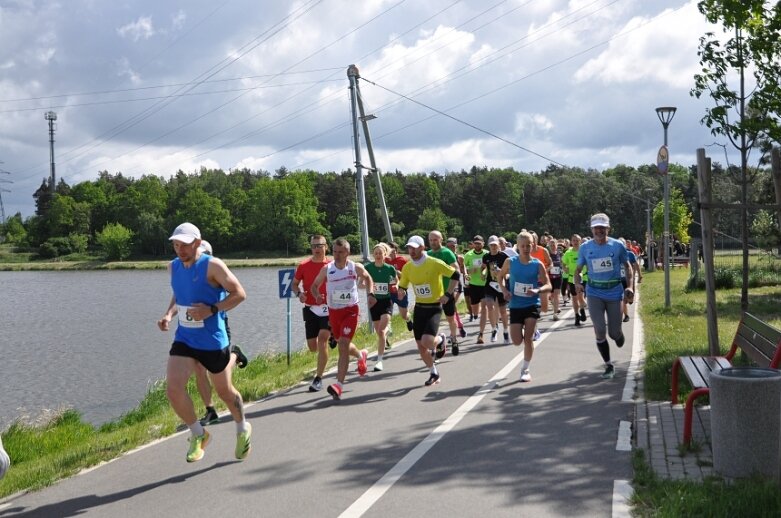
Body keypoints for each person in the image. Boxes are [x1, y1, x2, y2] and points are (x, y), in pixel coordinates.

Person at [157, 222, 252, 462]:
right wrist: (169, 314)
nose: (180, 250)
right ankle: (199, 434)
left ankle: (242, 428)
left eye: (185, 245)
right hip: (185, 339)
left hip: (212, 341)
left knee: (225, 392)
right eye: (176, 245)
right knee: (173, 388)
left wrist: (212, 309)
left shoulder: (213, 265)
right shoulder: (173, 267)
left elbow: (239, 293)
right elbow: (180, 293)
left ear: (197, 243)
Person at [191, 239, 249, 425]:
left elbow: (237, 295)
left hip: (218, 328)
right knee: (198, 368)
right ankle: (210, 410)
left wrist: (213, 309)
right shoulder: (188, 273)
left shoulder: (216, 273)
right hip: (195, 329)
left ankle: (234, 354)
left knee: (218, 373)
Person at [310, 238, 373, 400]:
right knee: (341, 341)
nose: (337, 255)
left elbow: (368, 277)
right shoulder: (327, 269)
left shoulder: (355, 267)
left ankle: (339, 385)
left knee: (343, 345)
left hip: (350, 311)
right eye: (335, 252)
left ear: (348, 253)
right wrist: (317, 296)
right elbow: (314, 286)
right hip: (334, 312)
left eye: (341, 252)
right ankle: (360, 356)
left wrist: (371, 294)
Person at [574, 214, 633, 380]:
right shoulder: (585, 247)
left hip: (614, 292)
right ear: (592, 229)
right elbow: (577, 271)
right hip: (594, 293)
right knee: (600, 330)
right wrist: (577, 283)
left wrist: (629, 286)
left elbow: (627, 267)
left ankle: (618, 334)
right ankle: (608, 365)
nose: (599, 231)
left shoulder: (617, 246)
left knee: (614, 333)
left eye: (602, 227)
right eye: (596, 228)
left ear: (608, 228)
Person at [397, 235, 460, 386]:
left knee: (427, 341)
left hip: (434, 307)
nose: (411, 251)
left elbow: (456, 274)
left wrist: (447, 294)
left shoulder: (434, 263)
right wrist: (401, 291)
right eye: (409, 248)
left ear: (422, 247)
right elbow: (403, 285)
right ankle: (434, 372)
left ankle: (442, 340)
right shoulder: (407, 267)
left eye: (414, 247)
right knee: (420, 345)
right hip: (419, 308)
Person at [499, 231, 552, 382]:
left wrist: (538, 290)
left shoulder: (537, 264)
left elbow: (548, 284)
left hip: (531, 304)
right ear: (518, 247)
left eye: (528, 245)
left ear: (533, 245)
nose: (526, 248)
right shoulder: (510, 262)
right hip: (515, 305)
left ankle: (525, 368)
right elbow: (500, 276)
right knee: (516, 341)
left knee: (527, 339)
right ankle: (530, 331)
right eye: (523, 246)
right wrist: (504, 290)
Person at [292, 234, 333, 393]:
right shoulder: (303, 266)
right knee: (312, 347)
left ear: (326, 247)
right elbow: (294, 284)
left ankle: (318, 378)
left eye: (319, 245)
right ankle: (336, 341)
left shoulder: (332, 265)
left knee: (323, 339)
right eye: (313, 246)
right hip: (310, 309)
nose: (316, 249)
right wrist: (299, 294)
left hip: (329, 308)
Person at [428, 230, 461, 355]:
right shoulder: (428, 254)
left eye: (435, 240)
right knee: (433, 321)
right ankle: (435, 346)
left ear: (441, 240)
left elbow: (456, 272)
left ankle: (454, 339)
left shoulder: (447, 253)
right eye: (431, 240)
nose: (433, 242)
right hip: (433, 294)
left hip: (446, 292)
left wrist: (448, 293)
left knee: (450, 319)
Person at [365, 243, 397, 371]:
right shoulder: (368, 267)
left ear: (385, 255)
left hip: (386, 301)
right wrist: (366, 287)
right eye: (376, 253)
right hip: (374, 303)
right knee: (379, 332)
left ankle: (379, 360)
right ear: (374, 255)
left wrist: (395, 286)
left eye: (380, 253)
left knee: (381, 331)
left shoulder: (389, 268)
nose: (378, 256)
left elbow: (395, 281)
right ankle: (387, 331)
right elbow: (362, 282)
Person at [482, 235, 510, 344]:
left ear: (498, 245)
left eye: (495, 245)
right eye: (491, 245)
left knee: (503, 311)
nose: (493, 247)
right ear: (489, 246)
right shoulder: (486, 256)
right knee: (489, 306)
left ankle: (506, 331)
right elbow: (484, 268)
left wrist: (501, 272)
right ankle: (494, 329)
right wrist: (483, 273)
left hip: (500, 284)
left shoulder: (504, 256)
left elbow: (509, 270)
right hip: (489, 284)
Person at [385, 242, 412, 332]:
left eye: (393, 251)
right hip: (388, 291)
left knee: (404, 315)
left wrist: (396, 271)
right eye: (389, 251)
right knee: (387, 313)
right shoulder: (385, 261)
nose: (391, 253)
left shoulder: (402, 260)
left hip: (400, 291)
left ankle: (408, 320)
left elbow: (407, 276)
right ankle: (388, 331)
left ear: (396, 251)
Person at [445, 236, 468, 342]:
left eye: (453, 246)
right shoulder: (444, 256)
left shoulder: (459, 258)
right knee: (452, 308)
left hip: (457, 285)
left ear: (456, 246)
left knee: (452, 306)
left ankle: (453, 332)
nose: (450, 248)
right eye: (448, 246)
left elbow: (463, 270)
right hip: (447, 285)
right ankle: (460, 325)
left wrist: (466, 275)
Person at [463, 236, 488, 331]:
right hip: (473, 283)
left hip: (485, 283)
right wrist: (468, 272)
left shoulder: (487, 254)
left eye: (479, 243)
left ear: (483, 244)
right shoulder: (468, 255)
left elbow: (489, 266)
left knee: (484, 305)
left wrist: (484, 272)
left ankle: (483, 322)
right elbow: (465, 268)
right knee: (474, 306)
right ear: (473, 244)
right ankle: (476, 316)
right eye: (476, 243)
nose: (477, 245)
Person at [562, 234, 587, 326]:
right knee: (574, 297)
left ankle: (582, 309)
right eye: (574, 240)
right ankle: (577, 315)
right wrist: (565, 268)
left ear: (580, 241)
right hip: (572, 277)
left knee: (580, 296)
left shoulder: (583, 252)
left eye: (577, 240)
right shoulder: (568, 253)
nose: (575, 242)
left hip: (582, 276)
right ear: (571, 242)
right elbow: (563, 263)